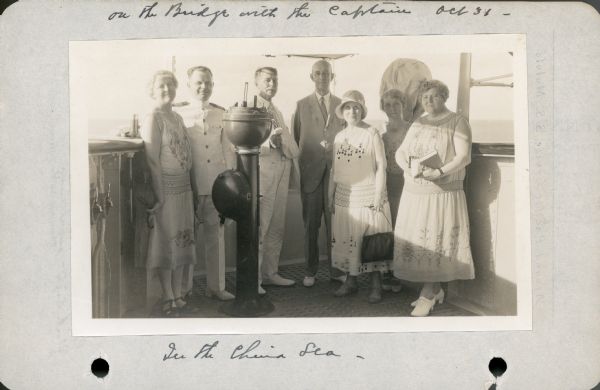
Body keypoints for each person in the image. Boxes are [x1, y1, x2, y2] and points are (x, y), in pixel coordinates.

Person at [393, 80, 475, 316]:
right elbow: (401, 151)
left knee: (434, 242)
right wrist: (407, 169)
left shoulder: (457, 121)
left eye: (434, 96)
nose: (428, 101)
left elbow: (463, 157)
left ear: (444, 96)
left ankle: (428, 294)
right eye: (425, 97)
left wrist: (439, 172)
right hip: (415, 191)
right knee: (423, 242)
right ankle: (435, 290)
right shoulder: (418, 122)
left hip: (441, 193)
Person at [176, 66, 235, 301]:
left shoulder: (222, 114)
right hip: (189, 186)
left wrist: (229, 186)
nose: (204, 87)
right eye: (199, 83)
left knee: (216, 239)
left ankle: (216, 288)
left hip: (215, 186)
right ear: (189, 85)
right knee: (187, 240)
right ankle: (183, 290)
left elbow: (228, 152)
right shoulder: (179, 115)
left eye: (208, 83)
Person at [329, 90, 392, 303]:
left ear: (362, 110)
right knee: (348, 238)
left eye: (356, 107)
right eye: (348, 107)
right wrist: (331, 196)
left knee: (371, 240)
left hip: (368, 195)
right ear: (343, 111)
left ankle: (376, 285)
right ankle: (351, 281)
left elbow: (382, 165)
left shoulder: (372, 133)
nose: (352, 111)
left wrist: (378, 196)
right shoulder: (339, 136)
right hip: (345, 196)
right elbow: (334, 170)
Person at [141, 70, 196, 316]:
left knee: (181, 240)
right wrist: (159, 195)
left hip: (183, 187)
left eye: (171, 86)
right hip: (167, 189)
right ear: (152, 90)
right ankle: (167, 296)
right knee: (165, 241)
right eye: (161, 86)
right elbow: (153, 160)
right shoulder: (153, 117)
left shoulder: (176, 117)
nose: (167, 90)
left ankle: (177, 291)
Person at [292, 60, 346, 288]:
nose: (322, 77)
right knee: (311, 225)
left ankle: (336, 270)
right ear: (311, 76)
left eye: (326, 73)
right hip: (311, 175)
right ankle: (310, 270)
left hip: (336, 174)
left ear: (332, 76)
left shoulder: (342, 105)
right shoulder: (301, 105)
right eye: (318, 73)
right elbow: (295, 139)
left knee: (335, 225)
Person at [254, 67, 300, 291]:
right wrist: (269, 143)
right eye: (267, 80)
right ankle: (254, 280)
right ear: (257, 83)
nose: (271, 84)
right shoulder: (252, 108)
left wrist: (290, 151)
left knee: (277, 226)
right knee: (261, 225)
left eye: (274, 80)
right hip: (264, 171)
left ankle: (270, 272)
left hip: (283, 168)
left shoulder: (276, 109)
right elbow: (241, 142)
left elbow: (289, 143)